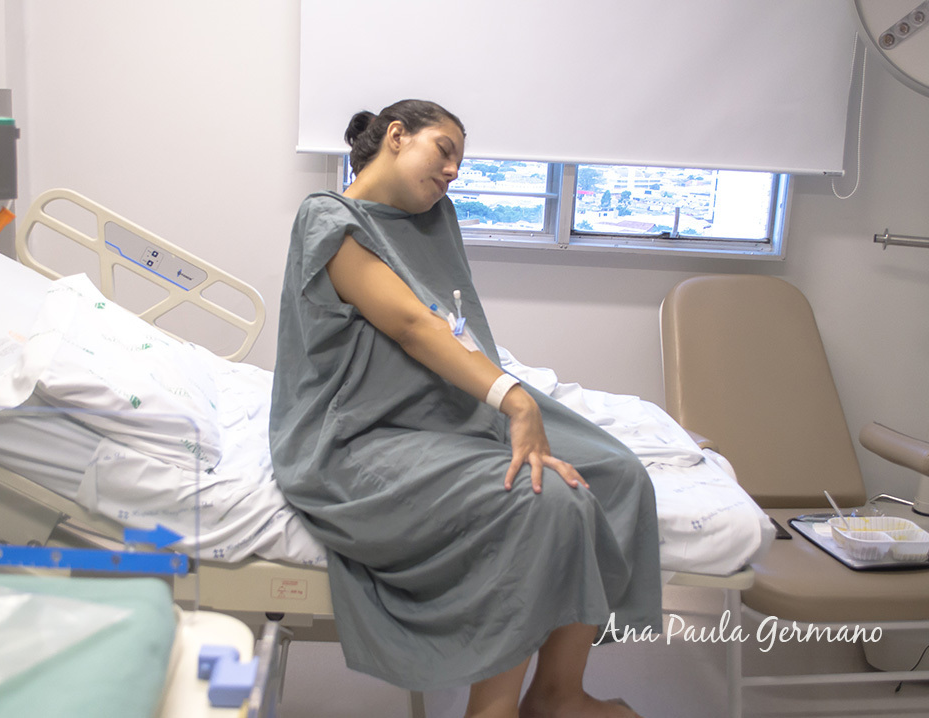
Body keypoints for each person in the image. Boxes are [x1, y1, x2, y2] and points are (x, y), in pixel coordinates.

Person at [269, 99, 661, 718]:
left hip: (445, 407)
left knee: (618, 473)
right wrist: (514, 401)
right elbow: (410, 324)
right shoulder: (328, 218)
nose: (453, 172)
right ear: (396, 137)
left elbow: (457, 324)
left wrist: (501, 396)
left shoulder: (434, 218)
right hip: (362, 433)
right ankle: (493, 709)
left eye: (459, 162)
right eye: (443, 151)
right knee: (544, 497)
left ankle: (557, 694)